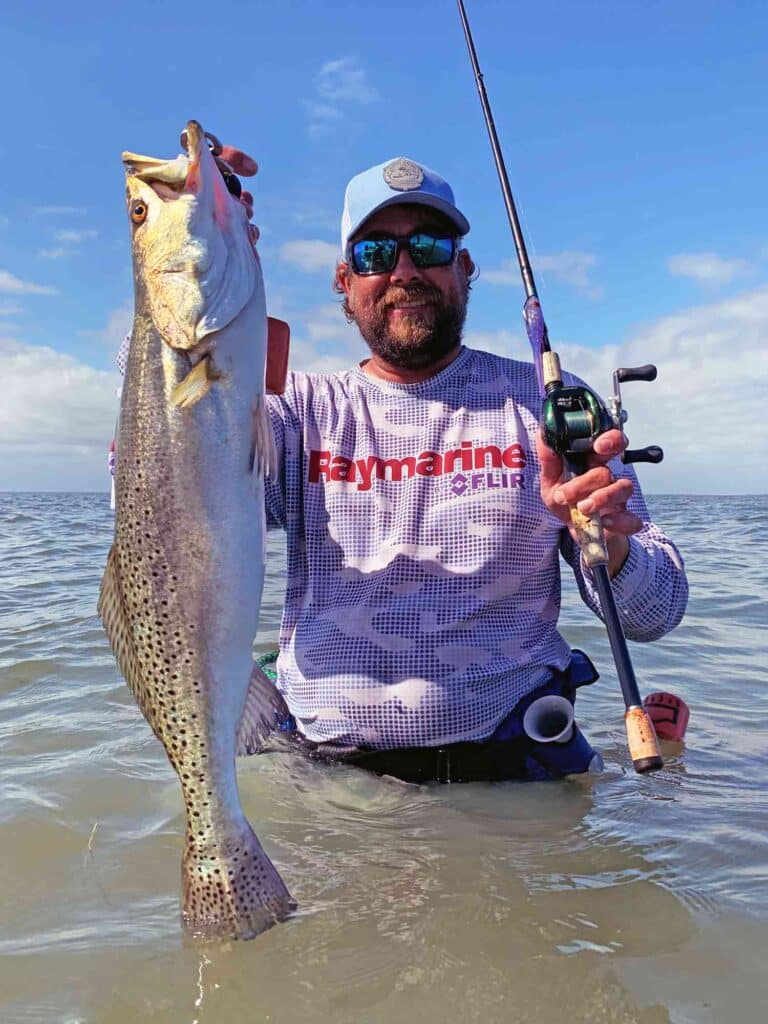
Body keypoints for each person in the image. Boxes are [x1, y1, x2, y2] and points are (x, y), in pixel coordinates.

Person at [262, 157, 689, 782]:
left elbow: (658, 614)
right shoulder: (291, 412)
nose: (405, 270)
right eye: (378, 251)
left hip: (513, 772)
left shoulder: (551, 404)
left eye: (429, 246)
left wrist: (610, 542)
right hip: (330, 783)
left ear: (463, 268)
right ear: (344, 281)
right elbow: (166, 511)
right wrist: (200, 251)